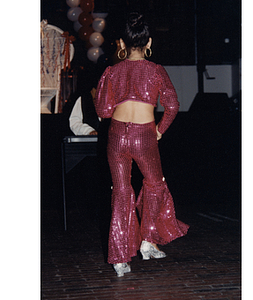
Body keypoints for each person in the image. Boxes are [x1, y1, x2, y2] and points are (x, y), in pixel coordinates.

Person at [93, 12, 189, 277]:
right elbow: (172, 105)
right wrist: (159, 130)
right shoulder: (156, 70)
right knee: (156, 184)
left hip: (116, 137)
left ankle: (120, 259)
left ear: (121, 45)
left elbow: (103, 109)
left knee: (121, 192)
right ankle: (148, 240)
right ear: (148, 43)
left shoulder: (112, 71)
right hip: (144, 136)